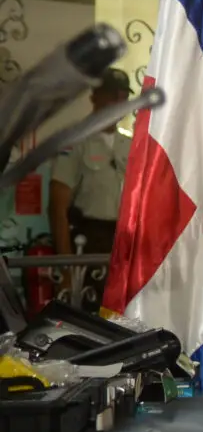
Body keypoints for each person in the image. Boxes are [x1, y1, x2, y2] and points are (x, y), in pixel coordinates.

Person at [50, 67, 131, 313]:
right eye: (111, 94)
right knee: (92, 319)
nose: (118, 102)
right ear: (95, 96)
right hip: (91, 242)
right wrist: (67, 267)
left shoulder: (131, 144)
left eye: (122, 96)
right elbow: (56, 208)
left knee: (127, 319)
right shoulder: (75, 143)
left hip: (127, 243)